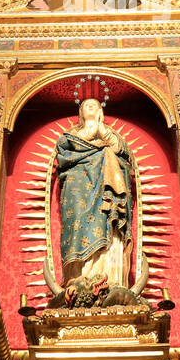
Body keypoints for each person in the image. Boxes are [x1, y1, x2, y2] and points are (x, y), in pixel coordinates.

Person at [52, 98, 135, 289]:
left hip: (107, 188)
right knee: (79, 222)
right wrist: (91, 132)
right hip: (78, 190)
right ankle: (79, 279)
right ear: (80, 112)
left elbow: (122, 151)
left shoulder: (108, 133)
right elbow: (64, 156)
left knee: (110, 223)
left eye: (95, 105)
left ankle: (110, 279)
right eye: (86, 105)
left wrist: (100, 128)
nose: (90, 107)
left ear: (100, 111)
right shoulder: (71, 135)